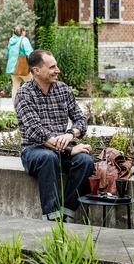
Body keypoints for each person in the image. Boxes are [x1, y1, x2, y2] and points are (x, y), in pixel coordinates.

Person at [14, 49, 94, 221]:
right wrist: (68, 150)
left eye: (56, 66)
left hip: (60, 149)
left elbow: (81, 120)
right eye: (52, 67)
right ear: (36, 70)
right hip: (34, 151)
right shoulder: (24, 94)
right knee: (47, 157)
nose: (57, 70)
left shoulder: (63, 89)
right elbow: (35, 132)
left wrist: (71, 134)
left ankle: (67, 212)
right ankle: (52, 218)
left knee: (86, 161)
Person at [6, 25, 33, 102]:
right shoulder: (24, 39)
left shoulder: (11, 40)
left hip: (12, 68)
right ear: (22, 31)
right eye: (25, 31)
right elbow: (30, 53)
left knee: (15, 87)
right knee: (33, 85)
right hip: (22, 67)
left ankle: (15, 108)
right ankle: (34, 104)